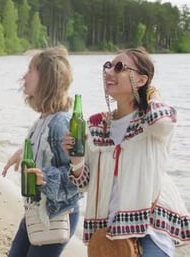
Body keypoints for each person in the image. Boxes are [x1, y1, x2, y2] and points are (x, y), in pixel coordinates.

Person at [64, 47, 190, 256]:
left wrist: (153, 93)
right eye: (108, 66)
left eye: (119, 67)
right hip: (112, 234)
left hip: (151, 230)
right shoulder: (97, 125)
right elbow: (85, 183)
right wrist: (75, 157)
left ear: (141, 80)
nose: (109, 72)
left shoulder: (151, 120)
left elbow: (164, 123)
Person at [1, 47, 82, 256]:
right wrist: (24, 153)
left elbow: (77, 179)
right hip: (36, 212)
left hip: (56, 216)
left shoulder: (60, 123)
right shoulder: (43, 120)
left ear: (46, 79)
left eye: (30, 71)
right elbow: (46, 153)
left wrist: (44, 177)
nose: (24, 76)